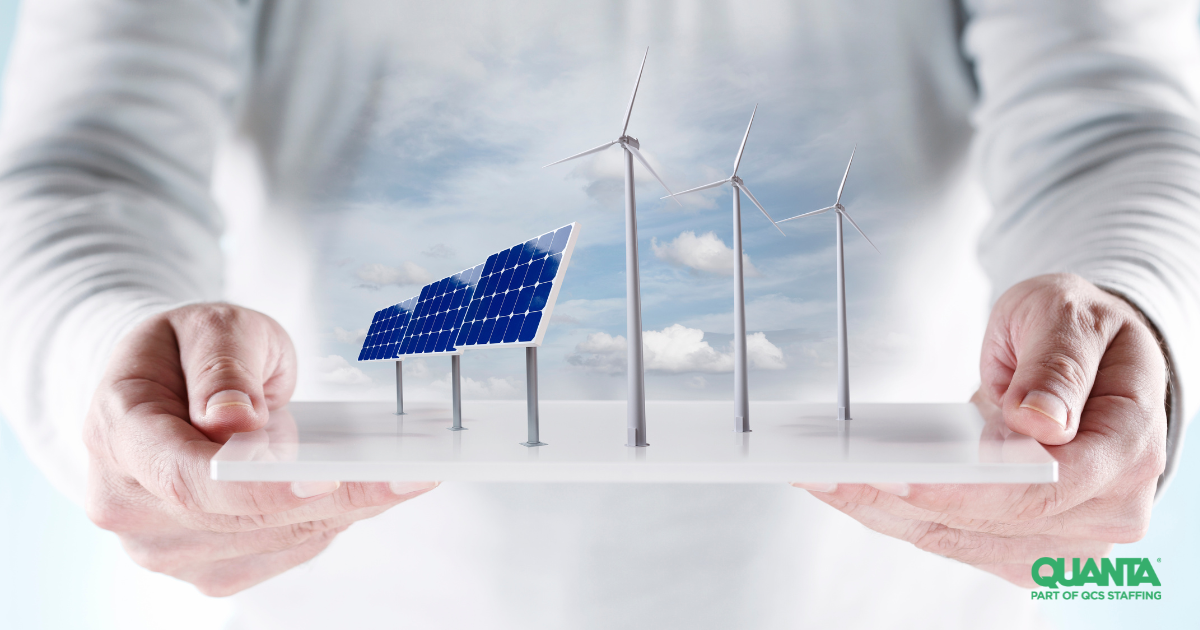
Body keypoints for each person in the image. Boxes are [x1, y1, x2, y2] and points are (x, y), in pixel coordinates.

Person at [0, 0, 1197, 627]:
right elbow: (87, 153)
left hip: (900, 595)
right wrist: (102, 353)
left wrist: (1128, 302)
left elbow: (1118, 124)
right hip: (350, 599)